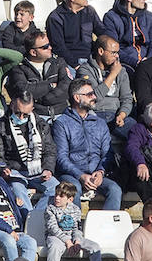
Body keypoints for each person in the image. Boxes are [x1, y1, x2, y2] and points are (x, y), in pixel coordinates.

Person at [52, 79, 123, 209]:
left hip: (96, 174)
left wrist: (101, 171)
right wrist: (81, 176)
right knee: (74, 189)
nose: (94, 97)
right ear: (77, 97)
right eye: (90, 94)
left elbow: (108, 152)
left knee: (115, 189)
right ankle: (74, 227)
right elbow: (61, 158)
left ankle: (106, 228)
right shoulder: (61, 123)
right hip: (71, 174)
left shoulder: (100, 123)